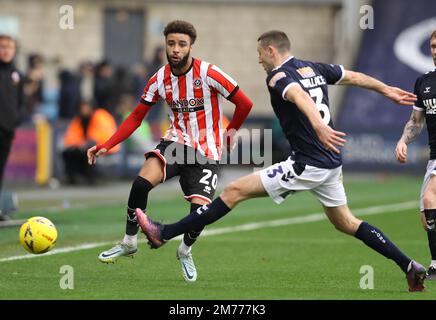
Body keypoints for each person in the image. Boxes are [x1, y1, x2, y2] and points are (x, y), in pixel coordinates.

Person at [136, 30, 427, 292]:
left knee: (233, 192)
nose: (259, 61)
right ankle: (409, 266)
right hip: (330, 163)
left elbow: (299, 95)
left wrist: (318, 126)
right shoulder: (313, 67)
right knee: (347, 223)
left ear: (271, 50)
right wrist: (385, 89)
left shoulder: (277, 76)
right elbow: (352, 76)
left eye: (260, 54)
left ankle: (164, 233)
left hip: (307, 163)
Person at [87, 20, 253, 282]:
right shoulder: (159, 79)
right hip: (175, 143)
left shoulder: (209, 73)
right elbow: (135, 117)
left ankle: (185, 251)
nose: (176, 49)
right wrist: (108, 144)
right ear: (165, 44)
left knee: (200, 214)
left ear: (190, 47)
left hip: (206, 152)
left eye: (182, 44)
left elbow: (244, 103)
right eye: (171, 43)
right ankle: (130, 241)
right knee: (140, 184)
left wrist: (230, 132)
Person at [395, 30, 436, 280]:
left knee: (432, 197)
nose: (435, 50)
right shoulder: (424, 82)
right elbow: (415, 121)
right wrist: (403, 140)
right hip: (434, 156)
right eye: (432, 45)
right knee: (426, 215)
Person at [63, 100, 119, 185]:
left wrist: (83, 144)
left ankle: (91, 178)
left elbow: (97, 137)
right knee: (68, 152)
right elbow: (71, 137)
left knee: (89, 150)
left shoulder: (100, 116)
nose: (84, 110)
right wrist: (77, 145)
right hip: (88, 146)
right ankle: (72, 178)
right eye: (82, 108)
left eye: (86, 107)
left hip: (106, 147)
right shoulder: (78, 119)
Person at [0, 35, 23, 220]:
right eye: (2, 46)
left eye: (10, 47)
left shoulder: (16, 74)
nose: (6, 50)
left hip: (7, 130)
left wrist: (16, 119)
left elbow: (20, 102)